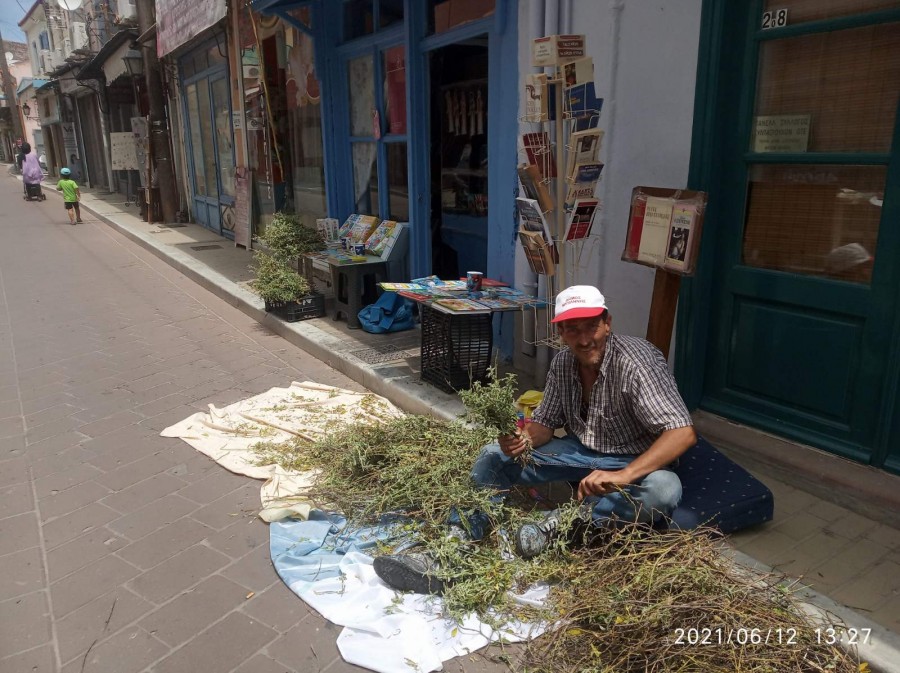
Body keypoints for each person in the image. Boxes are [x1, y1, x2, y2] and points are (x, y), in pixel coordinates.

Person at [374, 285, 697, 593]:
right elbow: (545, 423)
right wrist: (524, 441)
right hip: (579, 452)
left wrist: (624, 475)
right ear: (561, 333)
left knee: (665, 489)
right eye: (573, 330)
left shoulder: (637, 362)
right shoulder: (563, 362)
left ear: (607, 323)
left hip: (632, 459)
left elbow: (681, 432)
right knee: (492, 455)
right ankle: (453, 547)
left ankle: (563, 522)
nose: (584, 340)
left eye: (591, 327)